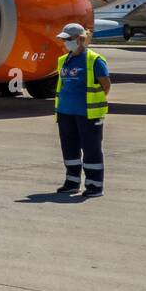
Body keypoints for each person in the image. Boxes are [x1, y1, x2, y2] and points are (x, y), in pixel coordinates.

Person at [53, 22, 110, 197]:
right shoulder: (64, 60)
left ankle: (94, 185)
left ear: (79, 39)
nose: (65, 43)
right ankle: (72, 182)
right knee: (69, 148)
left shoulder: (94, 60)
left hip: (88, 113)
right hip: (65, 112)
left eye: (68, 39)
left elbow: (105, 86)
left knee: (91, 149)